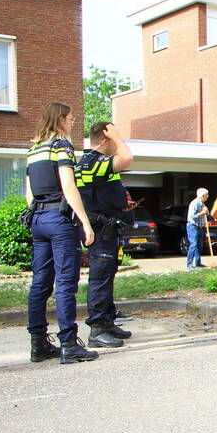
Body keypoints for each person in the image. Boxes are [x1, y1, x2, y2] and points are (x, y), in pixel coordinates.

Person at [25, 102, 98, 364]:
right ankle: (69, 344)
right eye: (70, 117)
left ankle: (39, 344)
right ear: (60, 119)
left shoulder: (34, 148)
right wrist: (85, 222)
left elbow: (29, 193)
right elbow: (68, 185)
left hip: (39, 219)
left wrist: (37, 216)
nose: (73, 121)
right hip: (60, 219)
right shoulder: (61, 146)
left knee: (40, 283)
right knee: (66, 283)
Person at [75, 121, 134, 348]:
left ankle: (107, 322)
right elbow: (127, 158)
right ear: (105, 138)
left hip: (107, 228)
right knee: (100, 278)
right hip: (101, 230)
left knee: (106, 276)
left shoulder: (96, 163)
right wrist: (117, 137)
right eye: (113, 135)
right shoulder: (94, 162)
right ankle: (97, 330)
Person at [186, 188, 209, 269]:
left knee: (199, 245)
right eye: (207, 195)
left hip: (200, 227)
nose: (208, 196)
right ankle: (189, 263)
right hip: (193, 226)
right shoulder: (194, 203)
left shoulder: (202, 203)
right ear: (203, 196)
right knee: (194, 244)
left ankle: (198, 263)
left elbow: (206, 213)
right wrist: (202, 213)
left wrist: (206, 211)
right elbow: (193, 217)